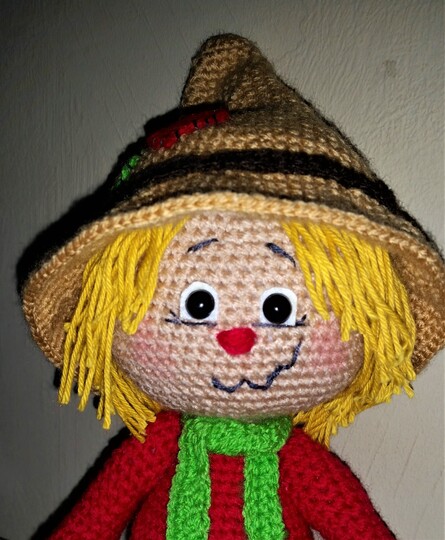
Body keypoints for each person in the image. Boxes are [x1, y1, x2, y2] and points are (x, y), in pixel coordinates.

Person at [22, 34, 445, 540]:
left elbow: (357, 527)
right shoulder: (154, 447)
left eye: (277, 308)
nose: (237, 338)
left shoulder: (299, 463)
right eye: (199, 304)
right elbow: (92, 521)